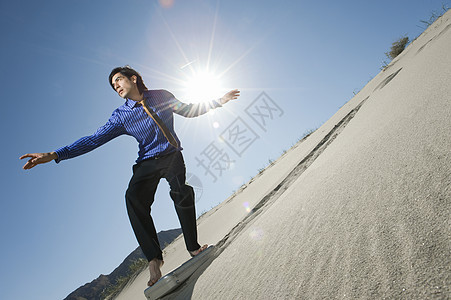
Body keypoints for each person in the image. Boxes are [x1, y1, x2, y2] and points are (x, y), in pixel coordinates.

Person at [20, 66, 240, 286]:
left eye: (118, 80)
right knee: (133, 198)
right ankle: (154, 260)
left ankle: (193, 246)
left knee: (181, 192)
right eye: (113, 85)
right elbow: (93, 139)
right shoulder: (121, 116)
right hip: (147, 162)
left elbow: (189, 110)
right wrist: (55, 154)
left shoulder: (161, 95)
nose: (116, 86)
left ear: (133, 79)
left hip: (172, 156)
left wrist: (219, 101)